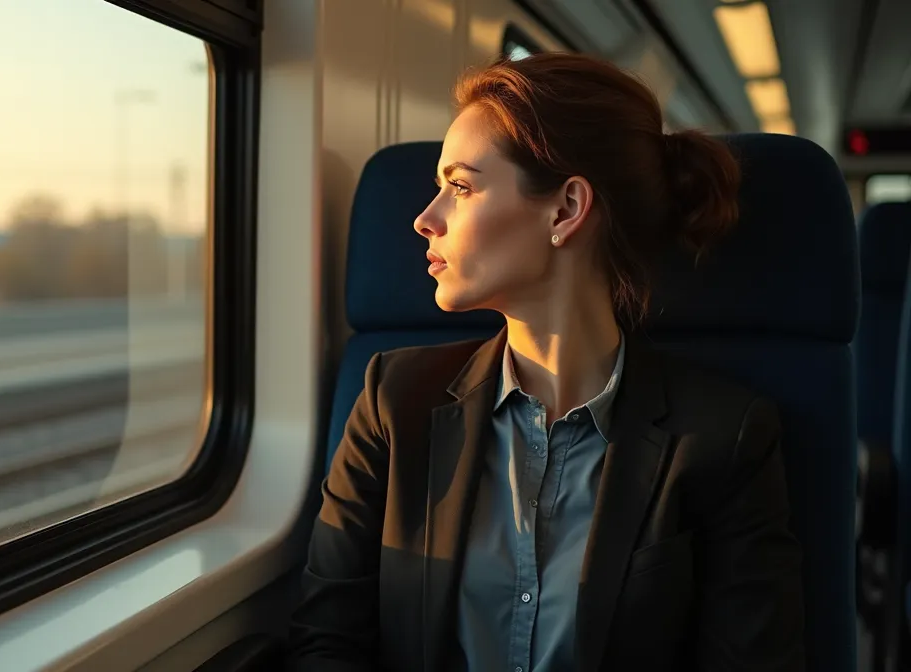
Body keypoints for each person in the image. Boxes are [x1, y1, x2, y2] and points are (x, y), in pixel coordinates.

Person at [286, 52, 805, 672]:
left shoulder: (723, 436)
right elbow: (328, 644)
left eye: (460, 187)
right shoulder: (395, 403)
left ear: (565, 210)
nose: (426, 220)